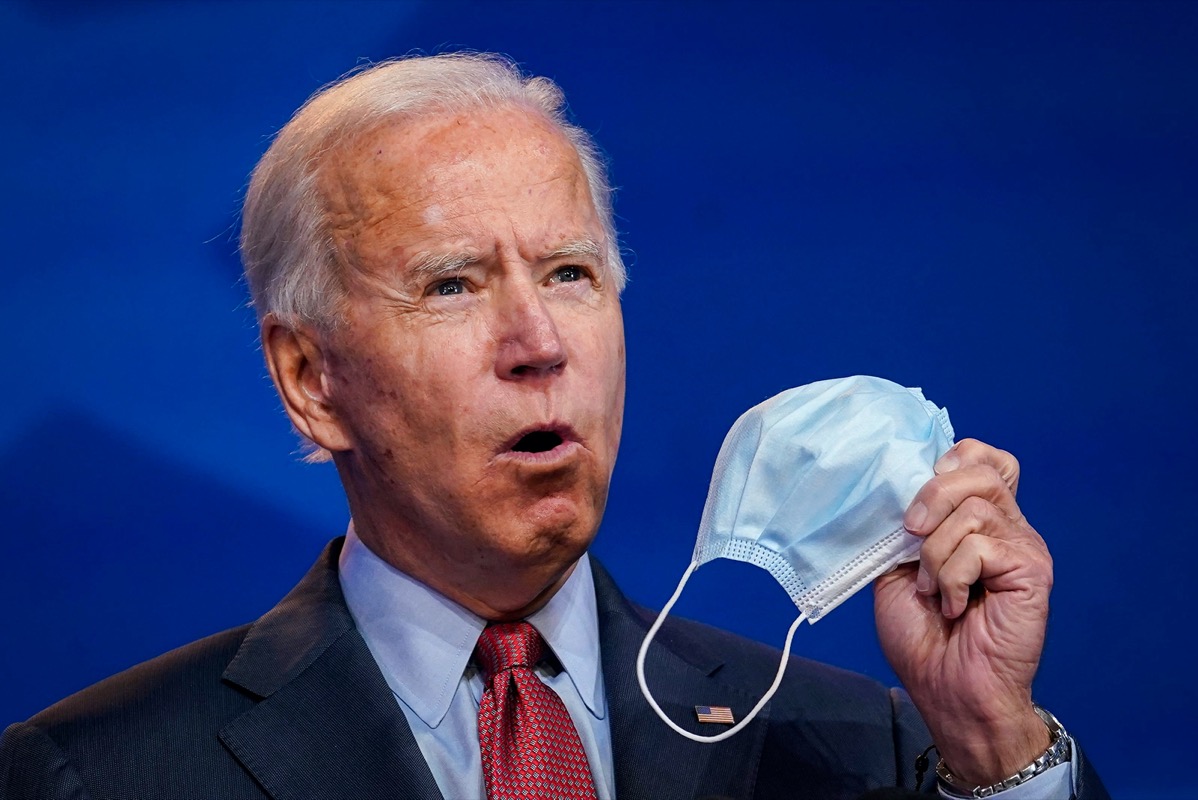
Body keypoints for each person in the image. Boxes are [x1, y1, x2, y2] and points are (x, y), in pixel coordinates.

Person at [0, 53, 1108, 800]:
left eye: (571, 272)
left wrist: (995, 742)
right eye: (452, 285)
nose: (539, 340)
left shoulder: (869, 746)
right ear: (309, 378)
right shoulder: (95, 773)